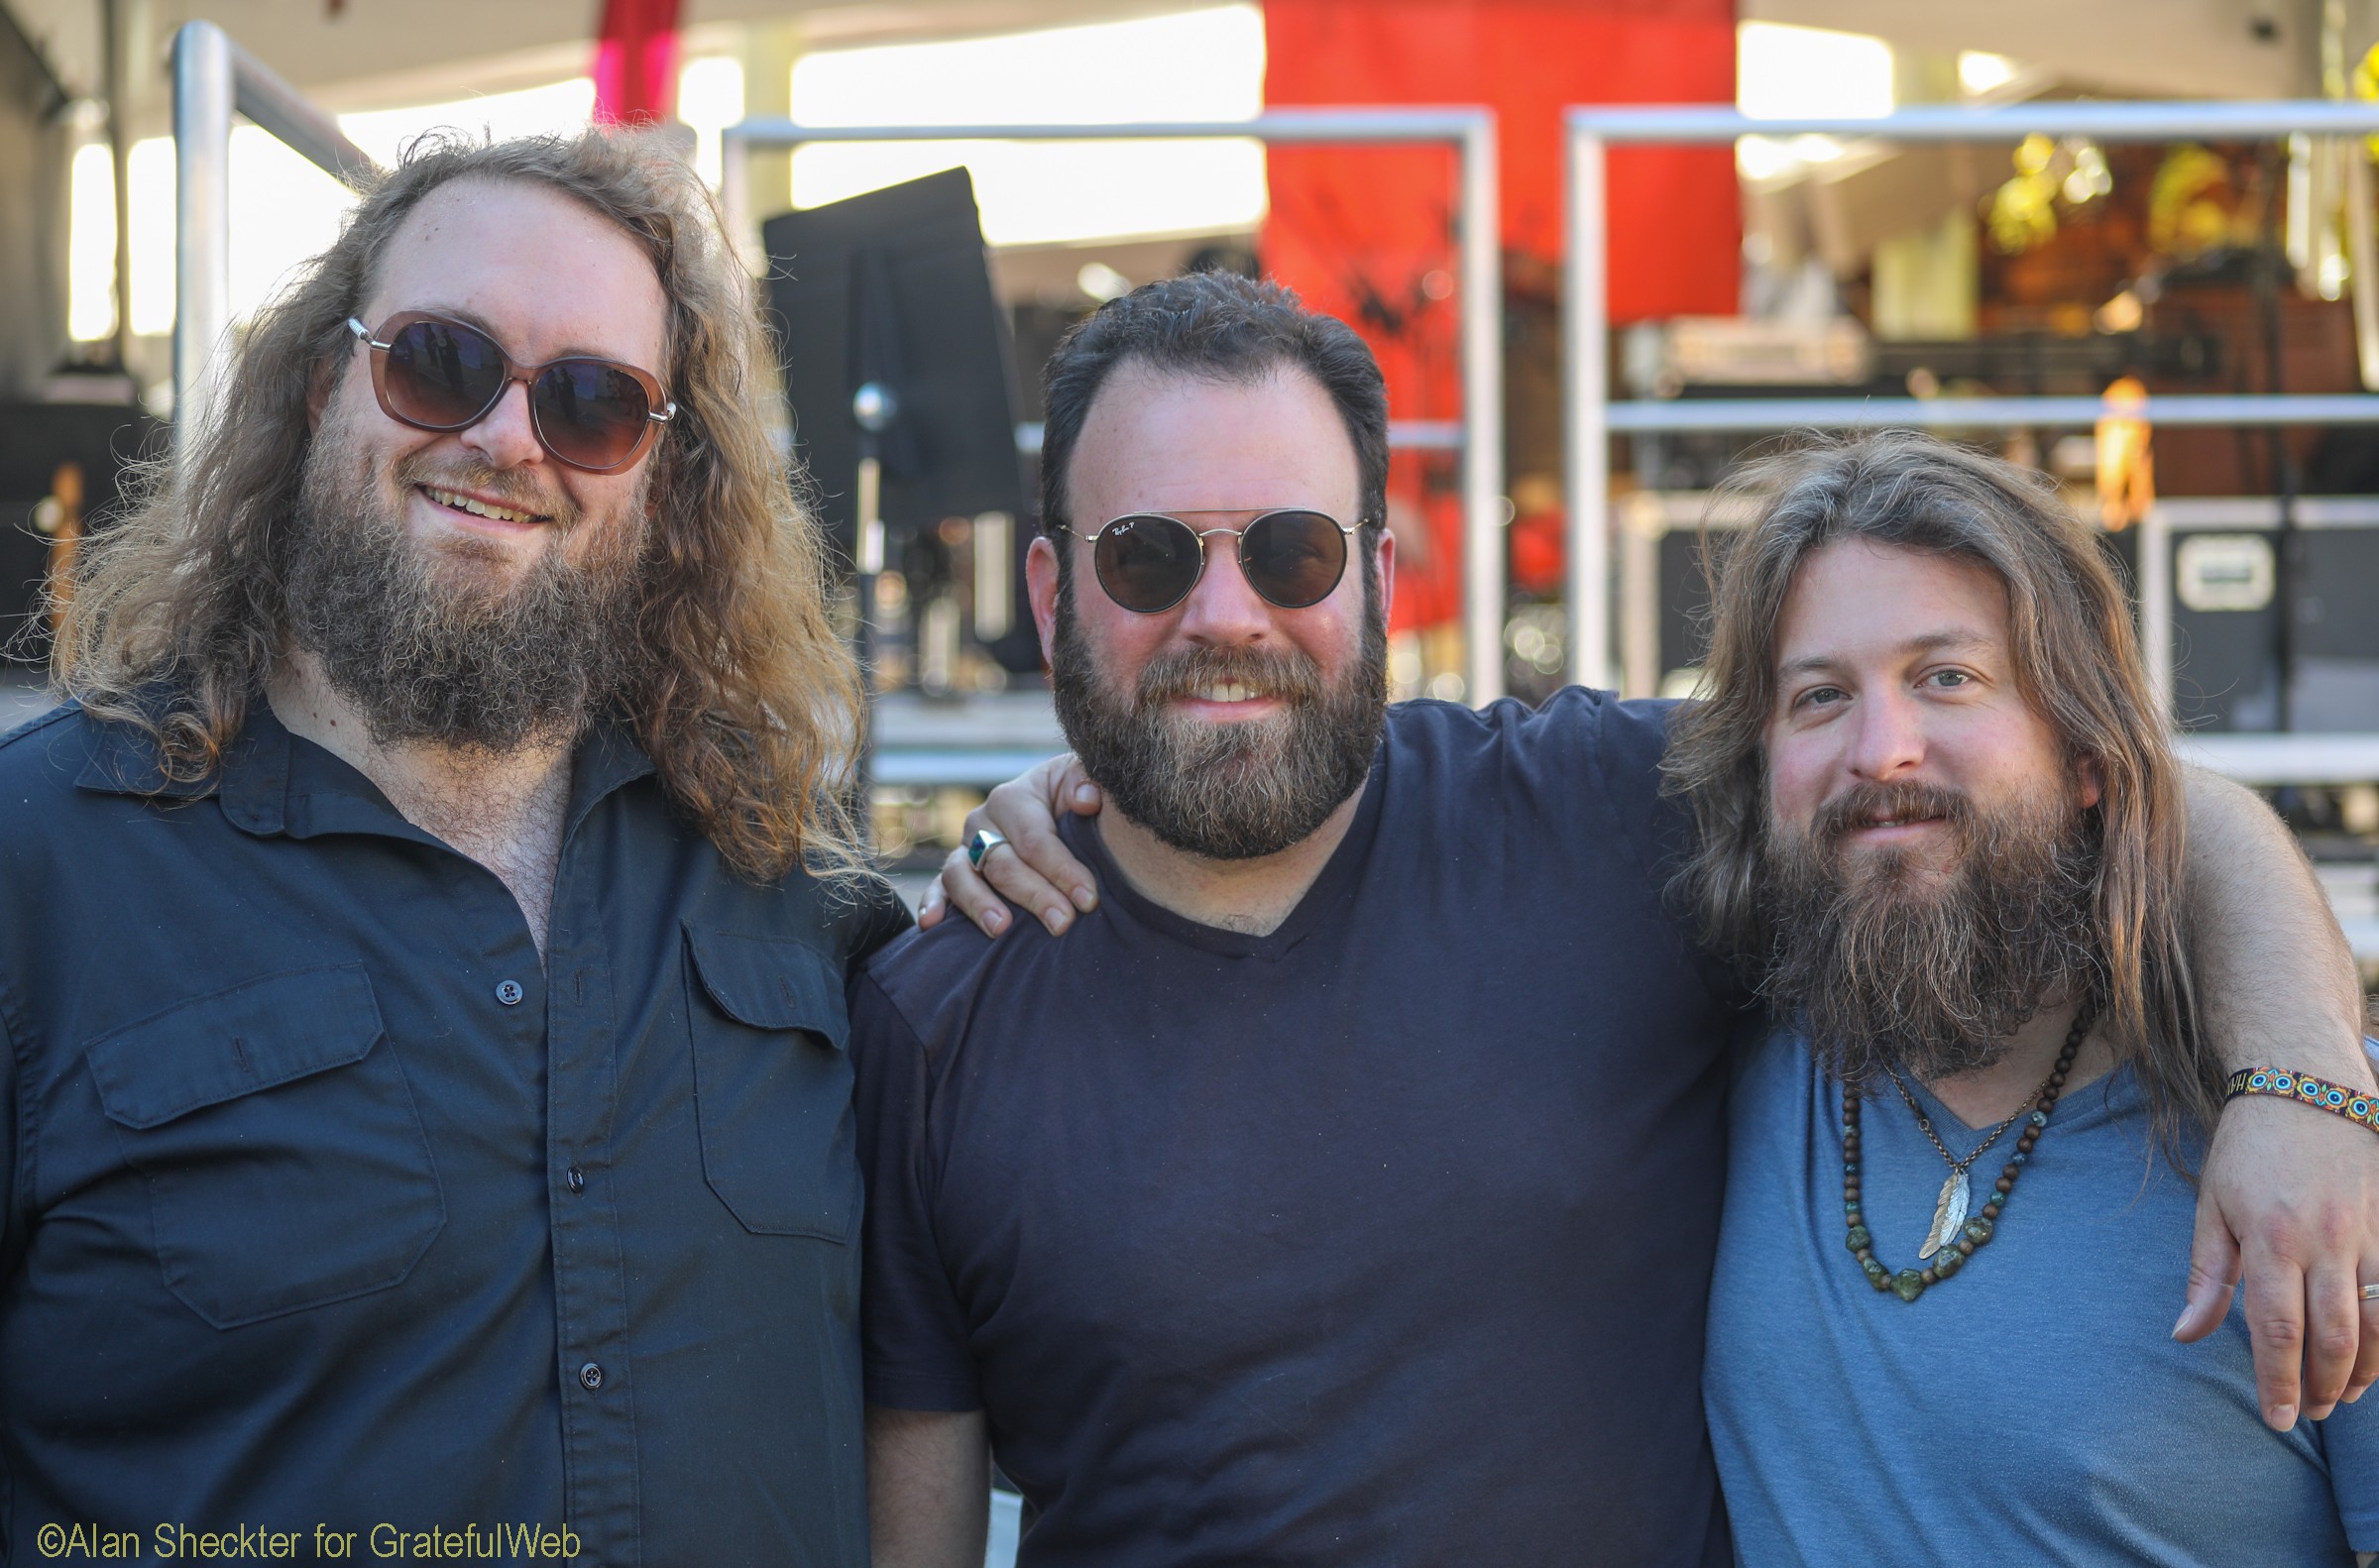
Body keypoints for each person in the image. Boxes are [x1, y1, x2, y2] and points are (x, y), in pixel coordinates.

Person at [857, 273, 2379, 1567]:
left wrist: (2304, 1080)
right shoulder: (941, 1018)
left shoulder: (1602, 815)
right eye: (1148, 557)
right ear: (1053, 596)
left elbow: (2130, 801)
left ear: (1378, 576)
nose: (1224, 615)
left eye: (1290, 551)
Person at [0, 131, 905, 1564]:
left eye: (597, 403)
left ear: (662, 481)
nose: (508, 440)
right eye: (440, 359)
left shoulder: (793, 883)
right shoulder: (38, 869)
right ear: (320, 382)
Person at [1677, 434, 2378, 1562]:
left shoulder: (2318, 1161)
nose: (1882, 750)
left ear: (2086, 751)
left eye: (1946, 677)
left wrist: (2301, 1077)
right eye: (1819, 696)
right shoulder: (1714, 1049)